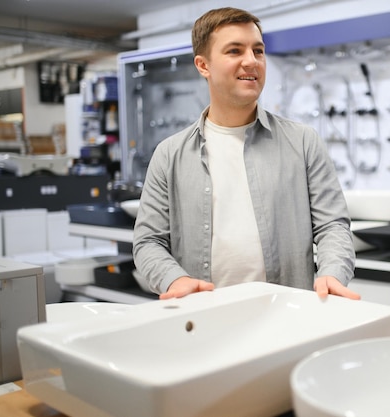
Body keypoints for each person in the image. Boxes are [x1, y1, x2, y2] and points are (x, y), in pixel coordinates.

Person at [133, 7, 359, 301]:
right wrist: (173, 279)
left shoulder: (302, 142)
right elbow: (148, 241)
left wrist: (331, 272)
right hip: (204, 317)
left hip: (286, 315)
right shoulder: (169, 154)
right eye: (234, 51)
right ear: (203, 65)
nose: (251, 61)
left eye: (258, 51)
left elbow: (332, 226)